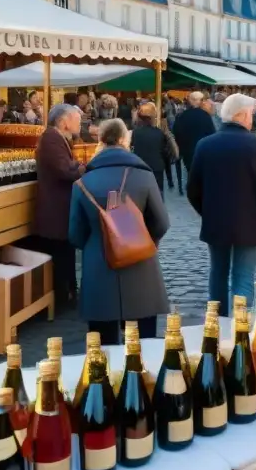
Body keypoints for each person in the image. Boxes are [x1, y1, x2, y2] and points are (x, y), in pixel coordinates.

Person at [69, 118, 170, 345]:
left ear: (100, 141)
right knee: (145, 345)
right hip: (140, 264)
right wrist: (142, 242)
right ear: (125, 140)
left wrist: (97, 242)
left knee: (102, 347)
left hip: (98, 267)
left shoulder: (83, 182)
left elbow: (75, 234)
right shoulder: (144, 176)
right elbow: (162, 222)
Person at [187, 94, 256, 315]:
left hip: (216, 222)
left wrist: (207, 212)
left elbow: (193, 188)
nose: (252, 118)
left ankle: (217, 324)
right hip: (249, 223)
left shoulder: (205, 144)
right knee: (244, 276)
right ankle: (239, 328)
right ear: (241, 115)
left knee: (218, 272)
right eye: (251, 114)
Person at [34, 103, 85, 309]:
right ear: (64, 122)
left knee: (67, 253)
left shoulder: (58, 138)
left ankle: (70, 292)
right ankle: (64, 297)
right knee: (61, 255)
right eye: (76, 120)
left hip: (60, 208)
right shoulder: (51, 138)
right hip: (55, 210)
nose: (80, 124)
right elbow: (65, 170)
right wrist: (82, 167)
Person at [173, 91, 216, 194]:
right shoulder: (206, 116)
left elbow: (176, 132)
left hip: (187, 150)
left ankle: (192, 186)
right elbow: (212, 133)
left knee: (190, 169)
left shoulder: (181, 116)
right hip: (203, 150)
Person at [130, 101, 176, 195]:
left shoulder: (135, 133)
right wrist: (170, 179)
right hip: (156, 169)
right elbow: (166, 155)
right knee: (158, 195)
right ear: (153, 117)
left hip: (140, 168)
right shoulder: (159, 133)